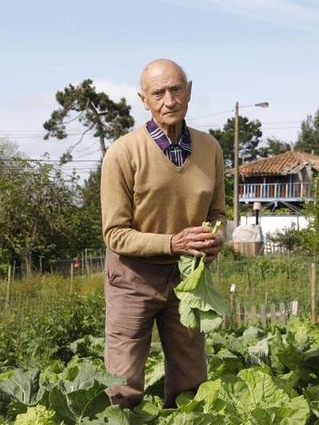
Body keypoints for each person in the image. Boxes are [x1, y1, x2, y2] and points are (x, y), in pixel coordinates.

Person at [100, 58, 226, 408]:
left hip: (188, 279)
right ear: (144, 99)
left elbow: (217, 214)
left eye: (176, 89)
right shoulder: (124, 153)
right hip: (132, 278)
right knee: (123, 385)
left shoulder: (210, 148)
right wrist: (173, 242)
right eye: (158, 93)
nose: (169, 100)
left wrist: (217, 239)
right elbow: (115, 234)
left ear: (189, 92)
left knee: (191, 379)